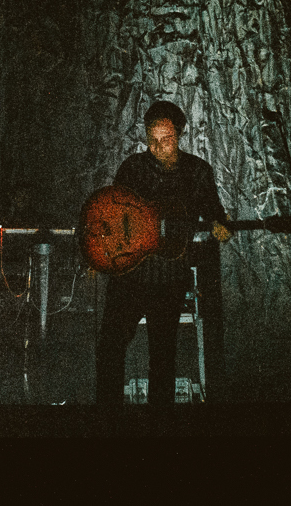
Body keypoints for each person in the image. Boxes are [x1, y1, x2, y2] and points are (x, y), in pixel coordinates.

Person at [93, 100, 230, 406]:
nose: (158, 148)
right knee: (110, 347)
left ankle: (159, 429)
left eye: (166, 140)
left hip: (169, 277)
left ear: (179, 137)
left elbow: (215, 214)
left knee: (163, 357)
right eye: (152, 140)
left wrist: (220, 225)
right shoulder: (132, 169)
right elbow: (113, 214)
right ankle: (105, 421)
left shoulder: (197, 172)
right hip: (130, 274)